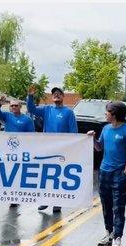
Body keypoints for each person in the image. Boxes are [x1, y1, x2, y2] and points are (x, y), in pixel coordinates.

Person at [87, 101, 126, 246]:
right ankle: (109, 233)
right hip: (104, 172)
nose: (105, 114)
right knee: (106, 206)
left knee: (118, 207)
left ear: (114, 114)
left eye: (107, 112)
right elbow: (99, 148)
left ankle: (118, 237)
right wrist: (93, 139)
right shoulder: (105, 128)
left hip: (119, 174)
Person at [27, 85, 78, 213]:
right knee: (46, 175)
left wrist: (71, 148)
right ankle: (45, 200)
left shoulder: (68, 112)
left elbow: (73, 131)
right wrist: (30, 96)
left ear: (63, 96)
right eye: (54, 93)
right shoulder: (47, 109)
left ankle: (57, 202)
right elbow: (31, 109)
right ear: (52, 96)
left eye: (59, 93)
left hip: (62, 150)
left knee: (58, 176)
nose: (56, 94)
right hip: (48, 149)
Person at [0, 95, 35, 207]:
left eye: (16, 105)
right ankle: (12, 196)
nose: (14, 107)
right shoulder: (7, 116)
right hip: (8, 150)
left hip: (21, 150)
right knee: (9, 173)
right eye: (12, 106)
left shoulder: (27, 119)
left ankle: (18, 195)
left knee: (19, 173)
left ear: (20, 106)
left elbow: (32, 135)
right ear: (10, 107)